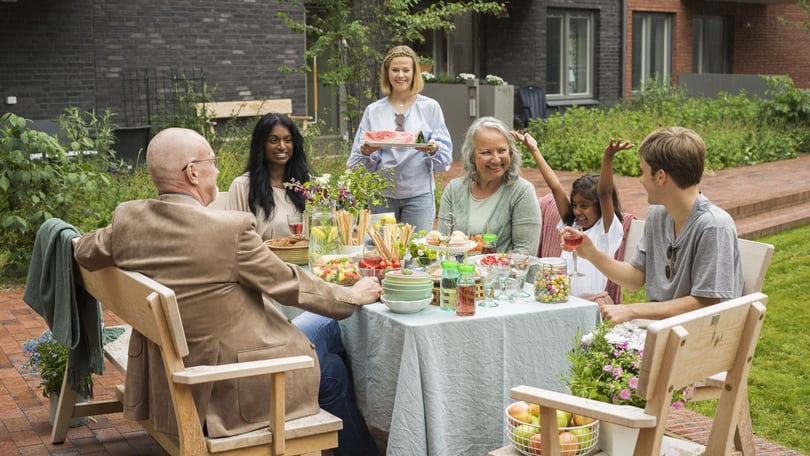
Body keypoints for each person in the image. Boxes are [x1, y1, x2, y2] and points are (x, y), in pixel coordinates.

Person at [73, 128, 382, 455]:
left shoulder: (129, 220)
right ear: (192, 172)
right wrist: (353, 295)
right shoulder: (227, 231)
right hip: (228, 386)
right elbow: (291, 284)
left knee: (332, 335)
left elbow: (83, 250)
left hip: (174, 368)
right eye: (213, 162)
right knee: (332, 366)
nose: (218, 170)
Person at [565, 126, 743, 324]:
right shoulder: (658, 215)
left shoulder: (713, 226)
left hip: (699, 339)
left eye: (642, 172)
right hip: (665, 331)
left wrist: (634, 310)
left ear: (660, 176)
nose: (640, 180)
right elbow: (634, 279)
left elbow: (707, 303)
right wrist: (591, 253)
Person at [513, 131, 633, 300]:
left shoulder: (607, 231)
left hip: (593, 302)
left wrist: (608, 157)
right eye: (575, 205)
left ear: (600, 206)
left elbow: (605, 192)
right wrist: (534, 150)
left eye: (584, 206)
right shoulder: (573, 225)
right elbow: (555, 187)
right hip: (565, 299)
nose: (577, 211)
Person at [347, 45, 452, 232]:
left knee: (416, 251)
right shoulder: (374, 111)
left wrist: (434, 149)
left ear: (414, 73)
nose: (400, 75)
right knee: (382, 254)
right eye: (395, 70)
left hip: (418, 195)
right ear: (387, 73)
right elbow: (356, 161)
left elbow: (444, 160)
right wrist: (366, 152)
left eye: (406, 70)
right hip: (381, 196)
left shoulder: (430, 107)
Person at [437, 117, 541, 253]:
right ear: (472, 156)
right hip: (456, 272)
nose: (496, 159)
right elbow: (442, 243)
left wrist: (492, 267)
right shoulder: (454, 190)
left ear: (510, 152)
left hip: (504, 273)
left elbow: (525, 251)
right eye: (486, 152)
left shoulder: (522, 191)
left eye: (502, 150)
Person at [224, 113, 309, 240]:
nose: (282, 146)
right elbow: (230, 238)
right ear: (261, 144)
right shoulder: (243, 186)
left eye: (288, 140)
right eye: (273, 140)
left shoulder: (307, 184)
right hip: (260, 259)